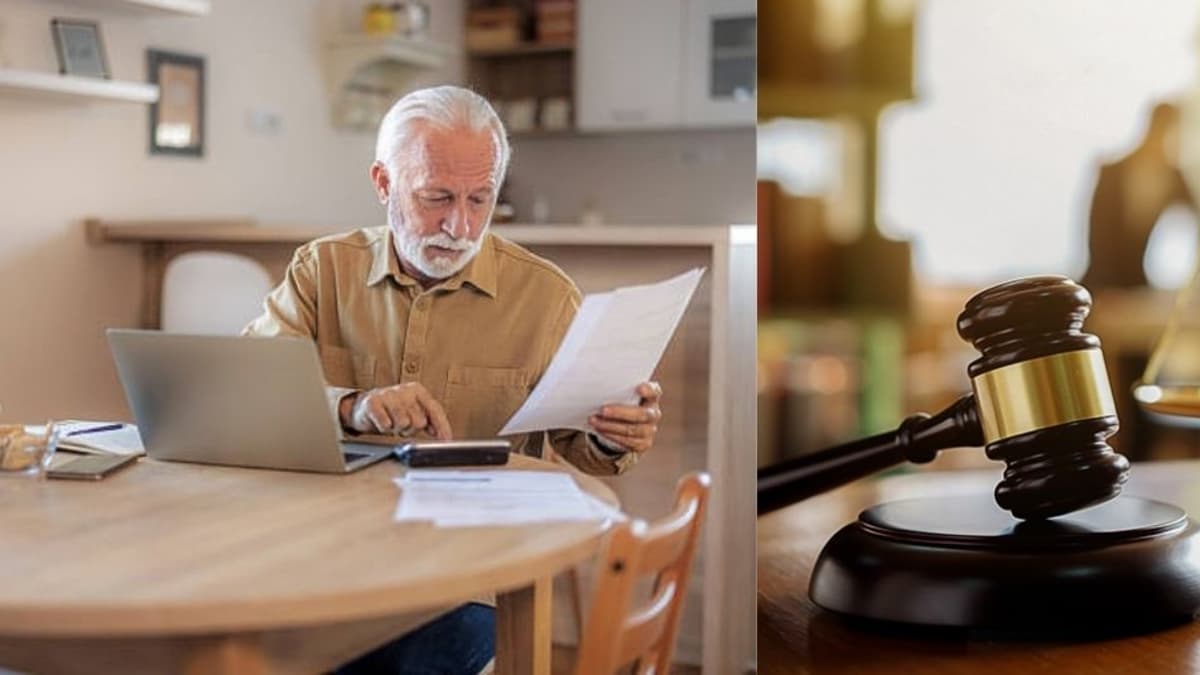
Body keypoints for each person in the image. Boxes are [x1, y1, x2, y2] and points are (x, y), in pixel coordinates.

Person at [243, 85, 663, 674]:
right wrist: (351, 406)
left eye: (479, 199)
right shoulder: (322, 271)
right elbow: (249, 393)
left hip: (472, 580)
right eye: (436, 197)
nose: (459, 225)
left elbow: (586, 449)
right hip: (329, 565)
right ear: (383, 183)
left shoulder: (546, 299)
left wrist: (614, 433)